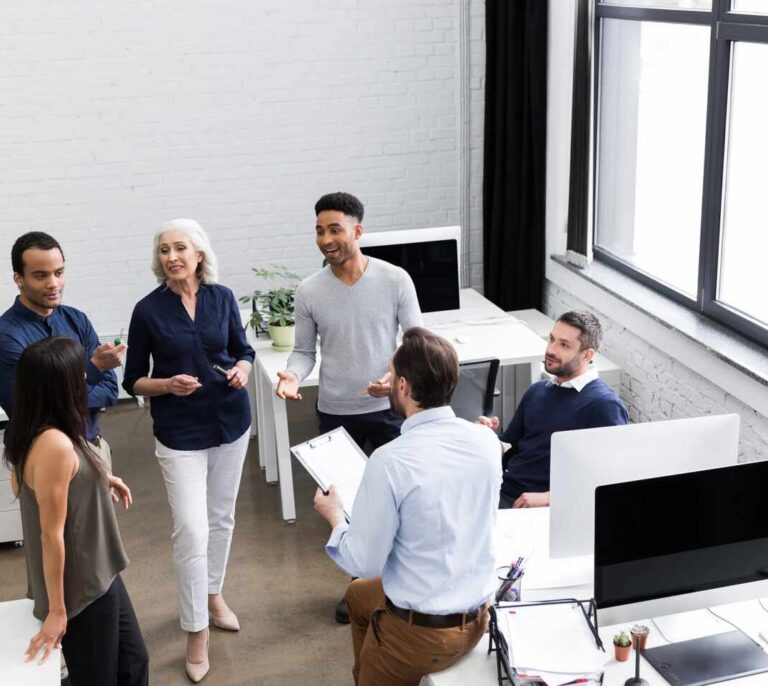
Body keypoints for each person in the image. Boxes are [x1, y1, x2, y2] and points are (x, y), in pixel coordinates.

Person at [314, 327, 500, 686]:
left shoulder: (389, 461)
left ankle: (380, 666)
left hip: (423, 635)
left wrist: (335, 516)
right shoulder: (486, 441)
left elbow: (364, 562)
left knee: (362, 583)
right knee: (356, 597)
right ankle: (370, 663)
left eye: (392, 374)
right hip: (478, 616)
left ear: (403, 388)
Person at [276, 191, 423, 623]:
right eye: (319, 231)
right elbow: (303, 352)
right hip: (336, 413)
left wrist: (394, 376)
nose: (325, 239)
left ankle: (399, 586)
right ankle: (358, 588)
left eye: (334, 229)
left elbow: (416, 341)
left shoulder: (395, 280)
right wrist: (291, 374)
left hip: (389, 411)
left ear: (357, 231)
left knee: (396, 502)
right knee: (348, 506)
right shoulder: (309, 291)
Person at [122, 218, 254, 683]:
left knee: (221, 518)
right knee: (192, 531)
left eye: (180, 247)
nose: (171, 256)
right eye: (163, 250)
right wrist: (166, 385)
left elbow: (244, 349)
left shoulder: (222, 297)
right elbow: (131, 378)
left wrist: (242, 368)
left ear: (200, 253)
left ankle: (213, 593)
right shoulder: (147, 310)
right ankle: (196, 631)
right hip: (179, 433)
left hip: (231, 423)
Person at [4, 336, 148, 685]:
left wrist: (102, 479)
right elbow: (50, 535)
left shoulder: (50, 426)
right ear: (59, 386)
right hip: (81, 584)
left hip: (101, 568)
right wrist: (56, 611)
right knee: (98, 678)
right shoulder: (53, 444)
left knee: (133, 663)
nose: (85, 378)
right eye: (77, 374)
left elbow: (71, 474)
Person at [479, 310, 628, 509]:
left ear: (587, 355)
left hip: (543, 507)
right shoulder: (538, 390)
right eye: (552, 339)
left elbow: (612, 478)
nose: (551, 349)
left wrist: (549, 498)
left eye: (564, 345)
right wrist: (483, 437)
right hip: (501, 489)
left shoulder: (604, 405)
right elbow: (509, 447)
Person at [0, 232, 124, 470]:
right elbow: (27, 408)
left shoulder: (77, 320)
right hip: (41, 458)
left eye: (59, 273)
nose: (53, 284)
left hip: (93, 448)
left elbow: (109, 391)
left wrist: (57, 398)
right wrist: (93, 369)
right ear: (19, 278)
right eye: (40, 276)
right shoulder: (7, 336)